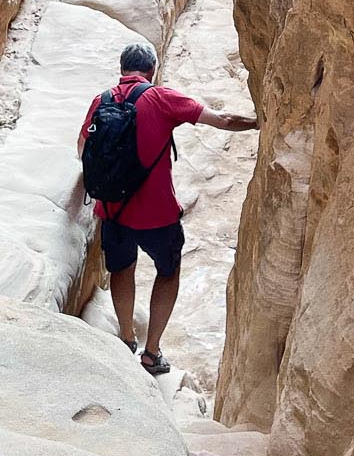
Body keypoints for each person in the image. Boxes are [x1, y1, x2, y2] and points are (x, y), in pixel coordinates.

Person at [77, 41, 257, 376]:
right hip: (157, 214)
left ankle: (127, 338)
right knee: (168, 272)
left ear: (122, 69)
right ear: (152, 70)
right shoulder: (162, 97)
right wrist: (259, 123)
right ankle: (152, 352)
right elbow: (222, 120)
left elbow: (82, 148)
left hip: (112, 212)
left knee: (122, 269)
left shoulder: (100, 101)